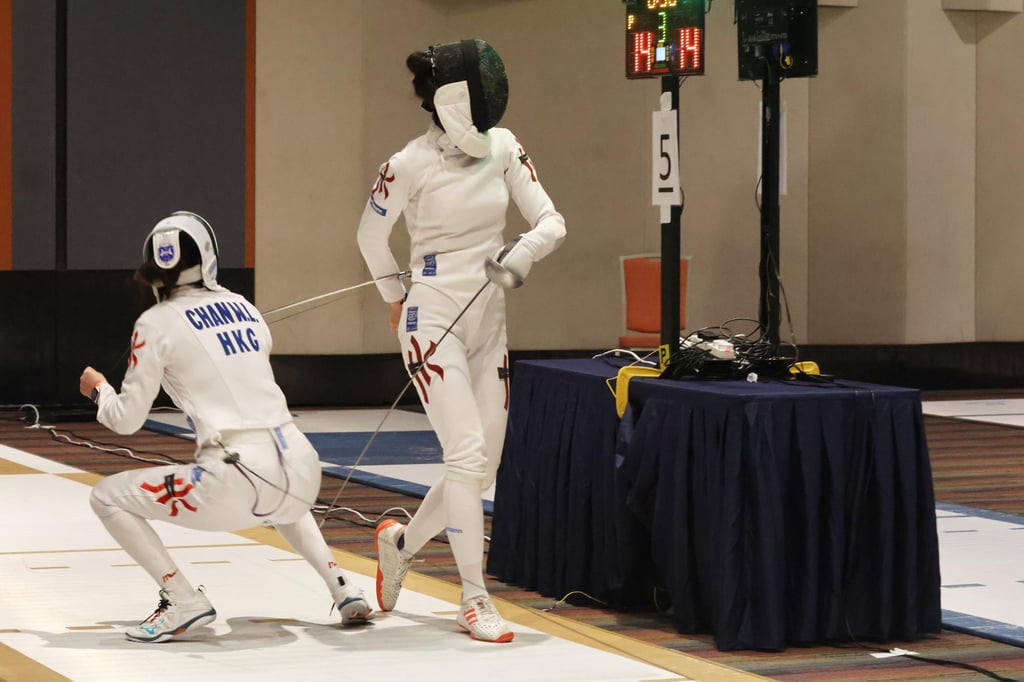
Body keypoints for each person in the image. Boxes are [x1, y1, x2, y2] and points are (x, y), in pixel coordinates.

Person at [79, 211, 372, 643]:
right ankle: (343, 588)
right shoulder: (246, 307)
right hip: (303, 467)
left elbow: (126, 420)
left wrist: (99, 390)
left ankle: (182, 599)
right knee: (281, 495)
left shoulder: (154, 324)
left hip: (231, 481)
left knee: (106, 498)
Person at [356, 39, 566, 643]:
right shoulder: (407, 164)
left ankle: (400, 543)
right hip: (432, 317)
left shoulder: (503, 147)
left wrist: (517, 252)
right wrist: (396, 298)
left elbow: (551, 221)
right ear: (455, 100)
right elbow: (370, 237)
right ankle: (473, 599)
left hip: (488, 318)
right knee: (466, 455)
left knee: (482, 466)